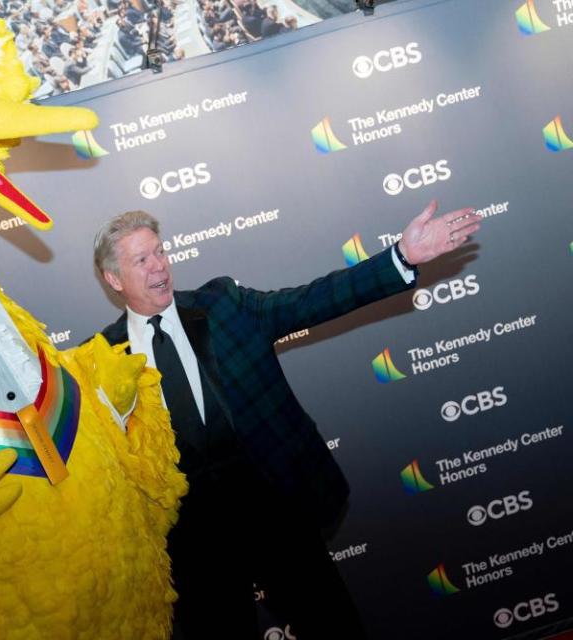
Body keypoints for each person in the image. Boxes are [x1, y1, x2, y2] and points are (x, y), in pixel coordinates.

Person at [93, 202, 479, 638]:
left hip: (274, 507)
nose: (158, 267)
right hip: (193, 539)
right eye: (141, 260)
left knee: (332, 624)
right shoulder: (103, 359)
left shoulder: (224, 305)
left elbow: (310, 301)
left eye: (160, 252)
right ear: (113, 279)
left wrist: (401, 257)